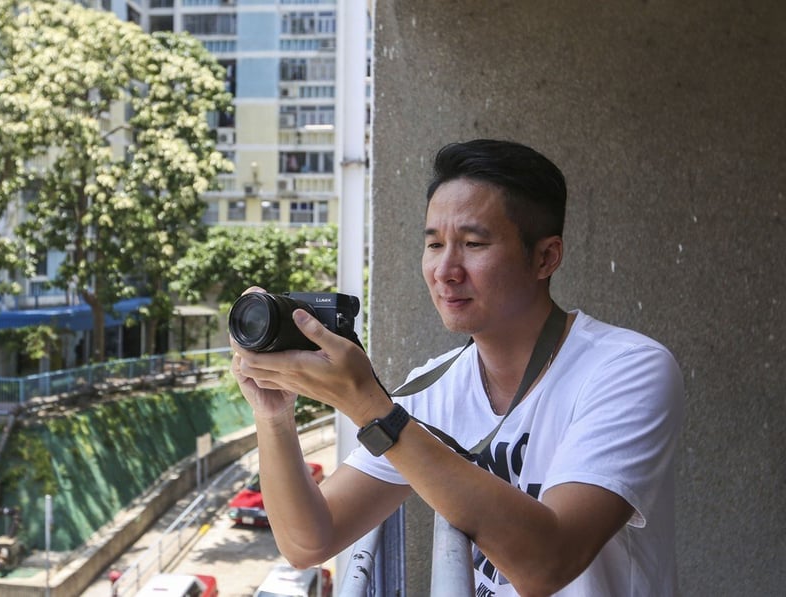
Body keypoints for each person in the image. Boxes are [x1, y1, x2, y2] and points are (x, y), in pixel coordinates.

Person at [230, 139, 684, 596]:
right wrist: (273, 414)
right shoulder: (438, 386)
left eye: (473, 243)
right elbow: (309, 541)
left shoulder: (627, 370)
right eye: (434, 244)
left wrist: (369, 407)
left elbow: (549, 564)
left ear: (545, 257)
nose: (445, 269)